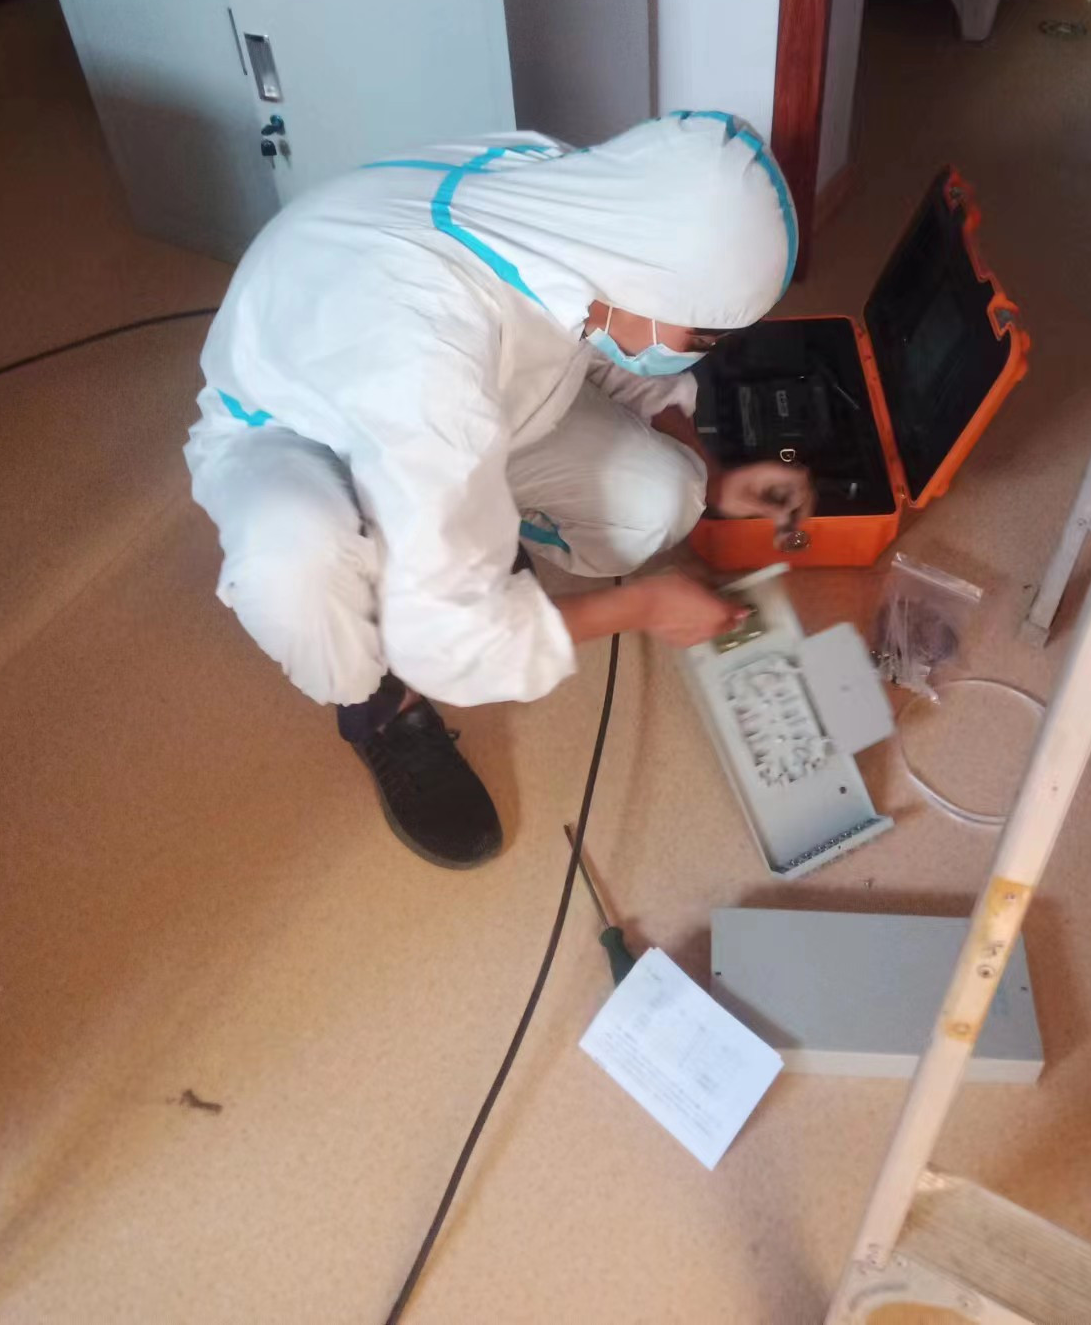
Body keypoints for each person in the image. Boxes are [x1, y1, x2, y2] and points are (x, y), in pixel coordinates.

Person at [185, 112, 812, 869]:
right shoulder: (430, 367)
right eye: (704, 336)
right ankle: (378, 708)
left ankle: (459, 537)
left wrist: (716, 478)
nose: (704, 351)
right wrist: (644, 607)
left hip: (456, 405)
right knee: (297, 568)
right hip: (286, 431)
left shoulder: (573, 199)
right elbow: (444, 646)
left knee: (664, 496)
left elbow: (611, 345)